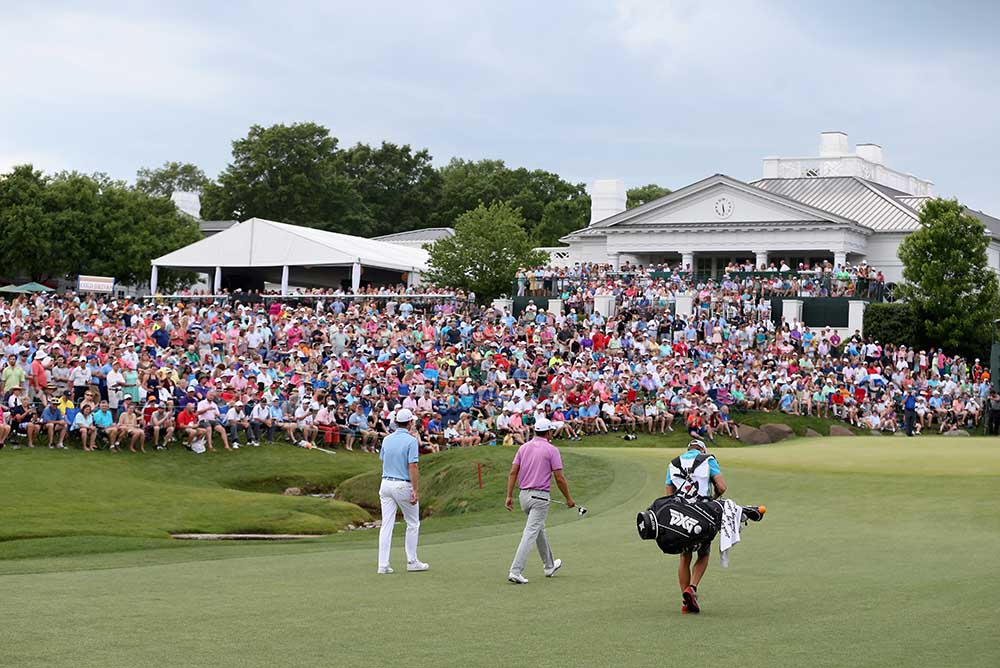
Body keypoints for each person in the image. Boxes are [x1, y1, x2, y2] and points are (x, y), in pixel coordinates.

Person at [504, 417, 574, 584]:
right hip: (540, 497)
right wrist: (569, 499)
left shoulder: (523, 448)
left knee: (539, 529)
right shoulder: (552, 450)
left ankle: (549, 565)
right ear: (549, 432)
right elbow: (559, 479)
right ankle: (515, 570)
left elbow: (513, 472)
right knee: (530, 532)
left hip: (524, 497)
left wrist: (508, 496)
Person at [665, 439, 727, 614]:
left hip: (680, 516)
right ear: (702, 450)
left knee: (685, 556)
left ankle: (685, 602)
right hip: (703, 513)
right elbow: (722, 487)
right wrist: (713, 499)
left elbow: (668, 497)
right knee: (704, 553)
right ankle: (692, 588)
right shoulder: (708, 459)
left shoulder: (673, 463)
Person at [376, 408, 429, 574]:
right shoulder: (411, 440)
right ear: (410, 423)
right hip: (402, 485)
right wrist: (415, 489)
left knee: (386, 524)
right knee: (413, 523)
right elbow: (412, 465)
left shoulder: (387, 439)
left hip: (385, 484)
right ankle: (412, 561)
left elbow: (384, 460)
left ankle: (383, 565)